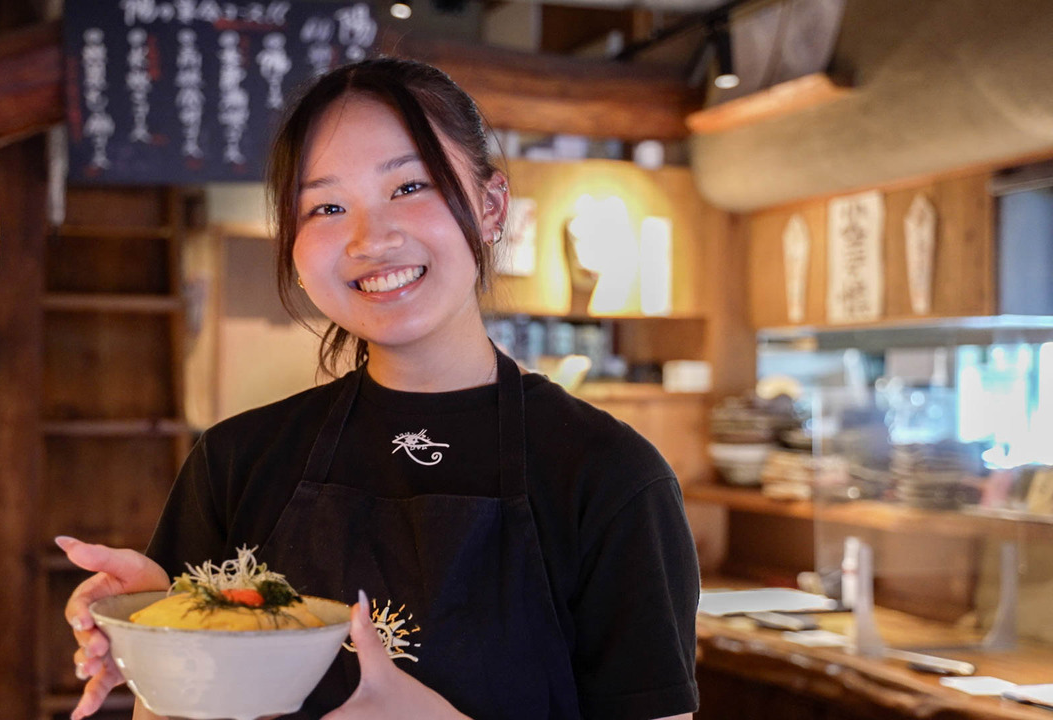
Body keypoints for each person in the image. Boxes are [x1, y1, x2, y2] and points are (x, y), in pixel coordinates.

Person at [61, 57, 700, 720]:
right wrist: (160, 645)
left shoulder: (612, 479)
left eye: (409, 186)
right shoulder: (234, 463)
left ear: (491, 208)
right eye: (328, 207)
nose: (371, 239)